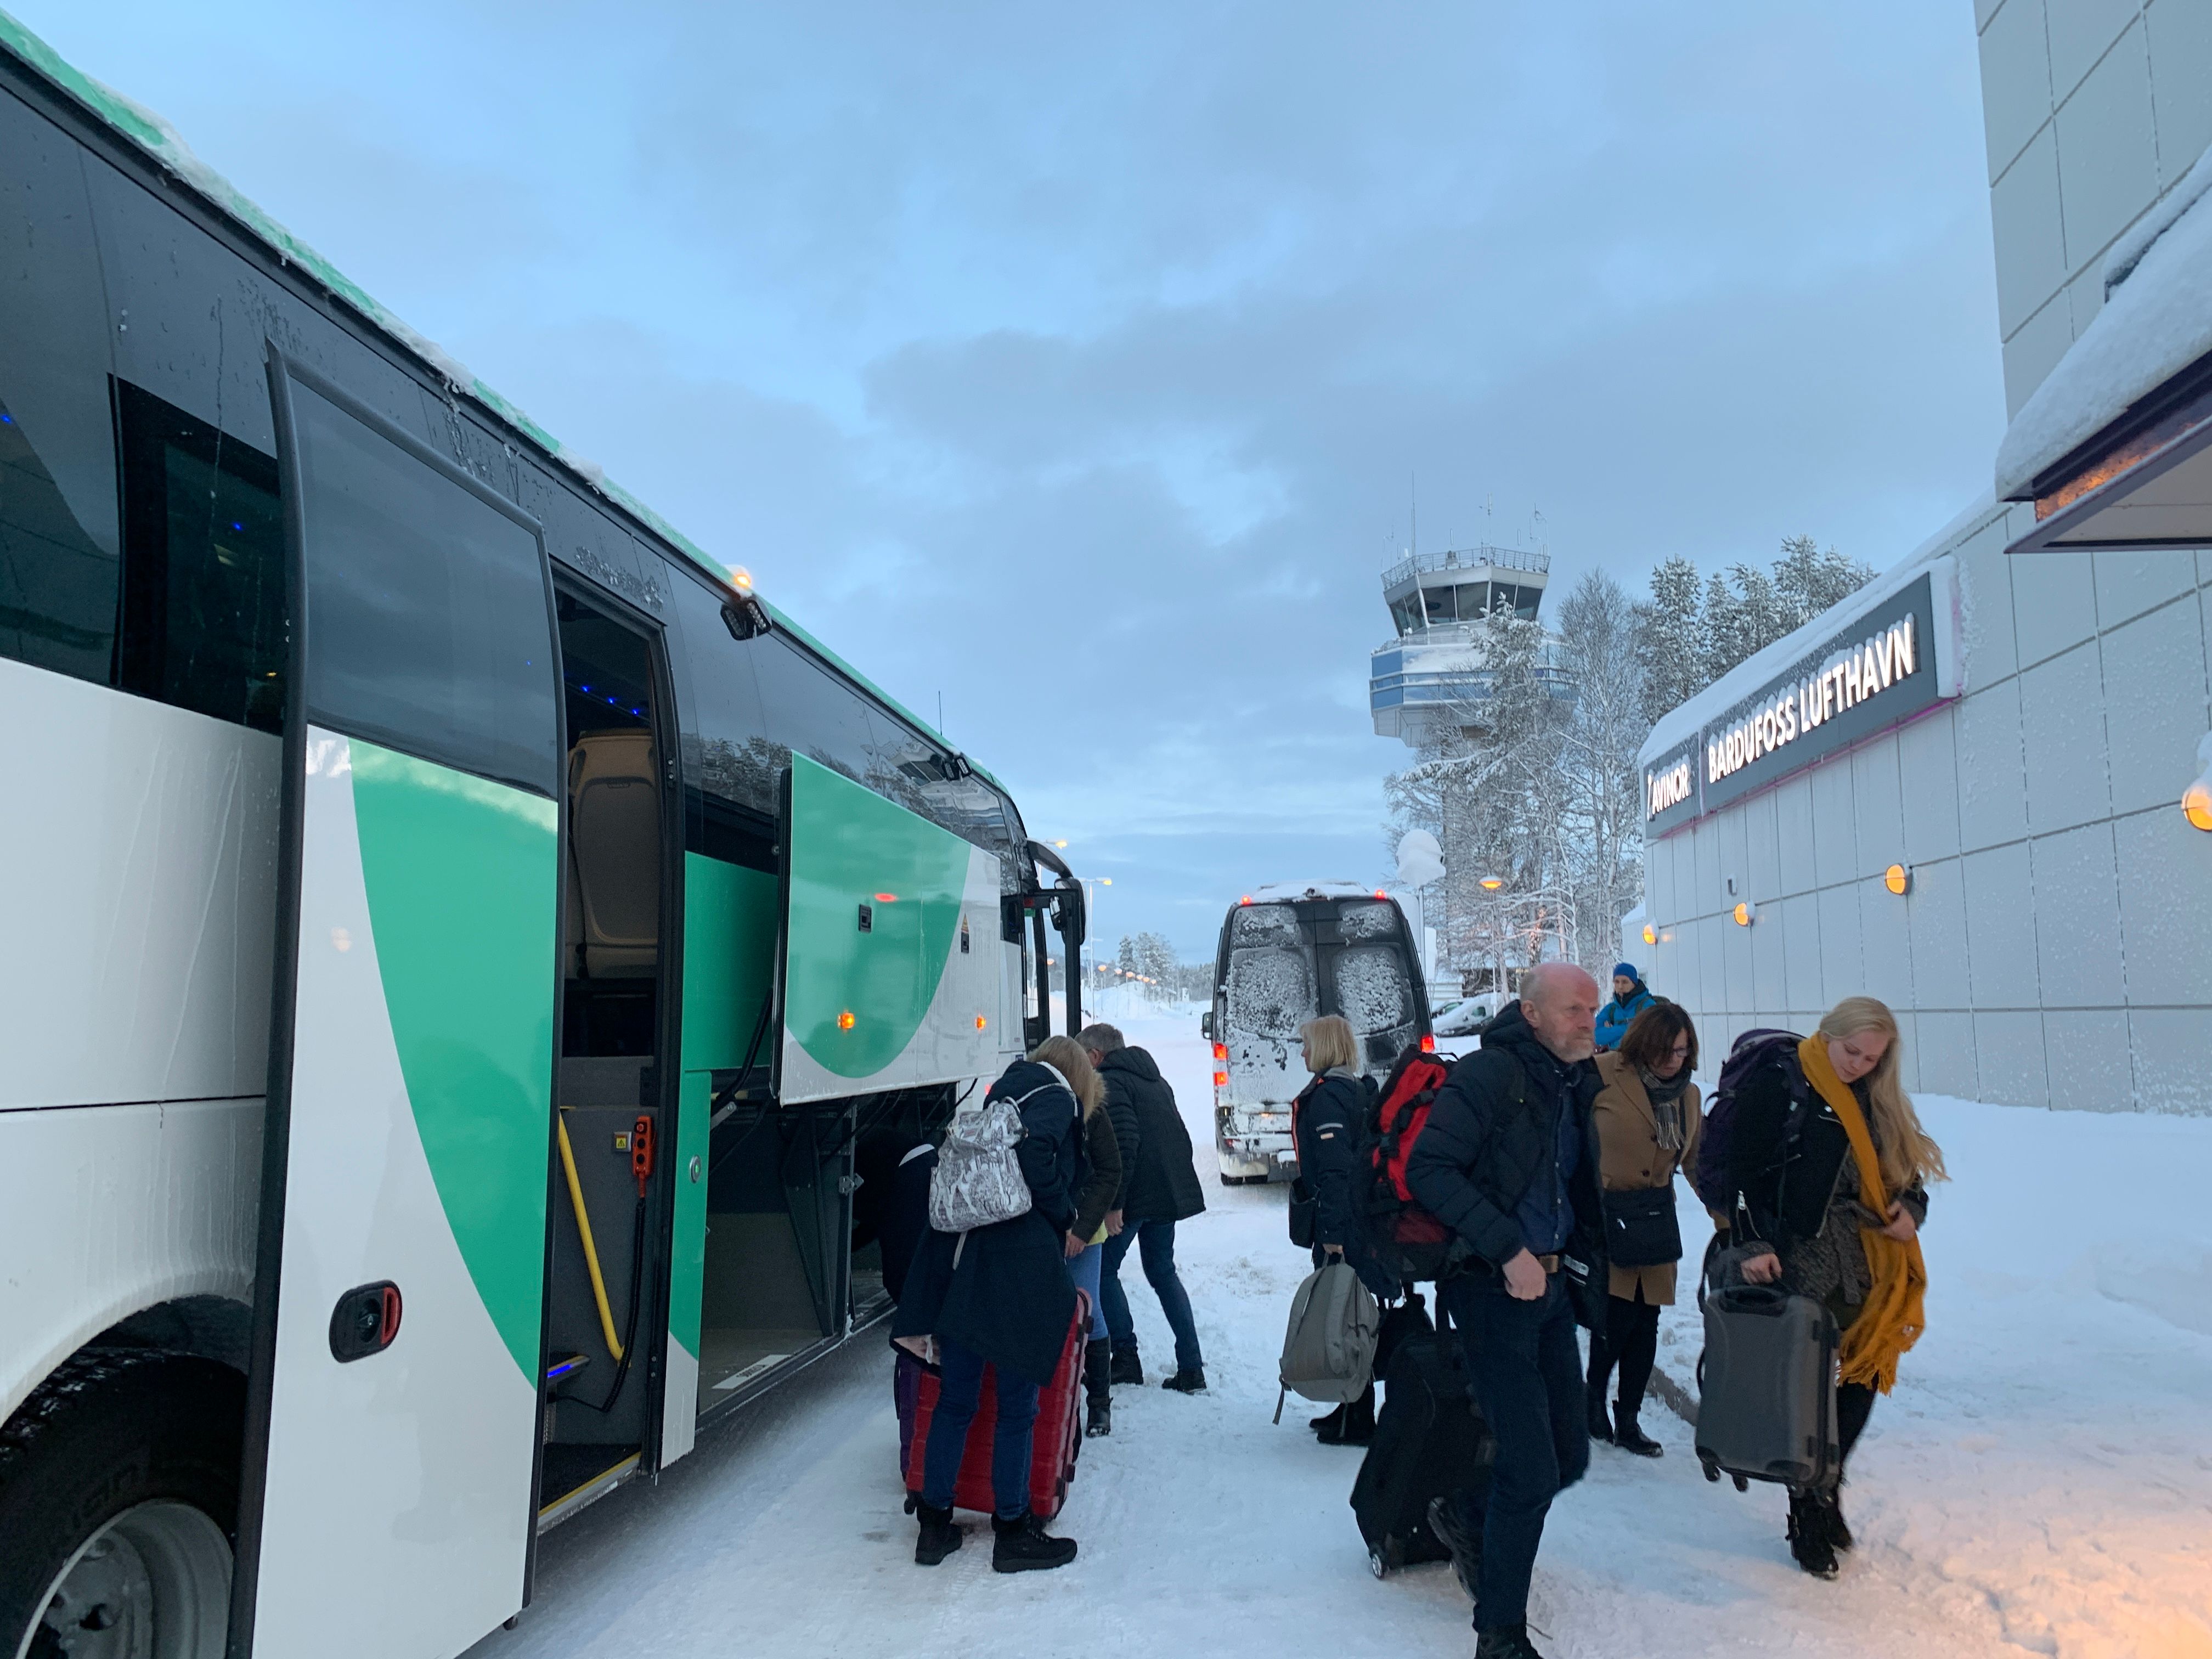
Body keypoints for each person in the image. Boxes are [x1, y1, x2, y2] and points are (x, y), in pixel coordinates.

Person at [1406, 963, 1607, 1659]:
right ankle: (1500, 1635)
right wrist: (1508, 1249)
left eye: (1593, 1009)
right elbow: (1428, 1170)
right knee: (1530, 1467)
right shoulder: (1489, 1075)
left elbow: (1568, 1187)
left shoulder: (1574, 1080)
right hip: (1491, 1290)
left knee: (1568, 1455)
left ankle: (1466, 1516)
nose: (1588, 1021)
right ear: (1532, 1014)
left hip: (1550, 1290)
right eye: (1575, 1010)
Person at [1722, 996, 1944, 1579]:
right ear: (1828, 1035)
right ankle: (1808, 1511)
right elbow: (1739, 1171)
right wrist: (1752, 1244)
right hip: (1799, 1259)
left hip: (1867, 1262)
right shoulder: (1784, 1082)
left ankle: (1828, 1486)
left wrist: (1911, 1209)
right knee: (1808, 1393)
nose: (1860, 1065)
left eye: (1873, 1058)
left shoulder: (1876, 1097)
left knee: (1862, 1377)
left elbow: (1906, 1173)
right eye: (1853, 1052)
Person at [891, 1040, 1087, 1573]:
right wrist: (1064, 1211)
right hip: (1017, 1274)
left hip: (962, 1269)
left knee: (957, 1400)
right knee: (1018, 1408)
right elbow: (1036, 1156)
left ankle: (934, 1528)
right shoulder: (1057, 1098)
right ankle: (1013, 1531)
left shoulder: (1001, 1096)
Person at [1585, 1000, 1702, 1459]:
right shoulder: (1601, 1074)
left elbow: (1697, 1164)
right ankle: (1593, 1400)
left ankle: (1629, 1418)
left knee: (1647, 1321)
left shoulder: (1688, 1096)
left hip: (1654, 1221)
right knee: (1615, 1318)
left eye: (1683, 1051)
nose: (1674, 1060)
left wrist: (1730, 1223)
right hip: (1607, 1216)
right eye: (1665, 1051)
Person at [1079, 1023, 1209, 1395]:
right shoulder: (1155, 1080)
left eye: (1082, 1058)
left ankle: (1125, 1357)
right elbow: (1179, 1136)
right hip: (1164, 1194)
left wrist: (1115, 1204)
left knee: (1103, 1271)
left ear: (1095, 1056)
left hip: (1135, 1197)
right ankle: (1191, 1367)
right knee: (1163, 1272)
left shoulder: (1109, 1082)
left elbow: (1124, 1145)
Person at [1289, 1013, 1375, 1446]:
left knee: (1344, 1318)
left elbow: (1337, 1171)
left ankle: (1358, 1417)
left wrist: (1333, 1233)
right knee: (1349, 1316)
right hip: (1360, 1221)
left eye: (1307, 1044)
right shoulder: (1353, 1089)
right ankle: (1351, 1405)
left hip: (1344, 1227)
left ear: (1324, 1047)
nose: (1303, 1053)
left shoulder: (1328, 1098)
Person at [1062, 1037, 1125, 1438]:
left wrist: (1082, 1229)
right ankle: (1060, 1404)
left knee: (1090, 1312)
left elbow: (1110, 1170)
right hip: (1047, 1228)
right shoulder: (1039, 1108)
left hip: (1084, 1228)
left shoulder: (1093, 1110)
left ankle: (1099, 1404)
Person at [1592, 962, 1653, 1052]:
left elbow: (1649, 1035)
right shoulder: (1611, 1009)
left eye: (1625, 982)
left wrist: (1610, 1031)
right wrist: (1631, 1028)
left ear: (1634, 983)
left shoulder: (1648, 1006)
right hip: (1614, 1057)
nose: (1620, 987)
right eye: (1617, 982)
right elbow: (1594, 1035)